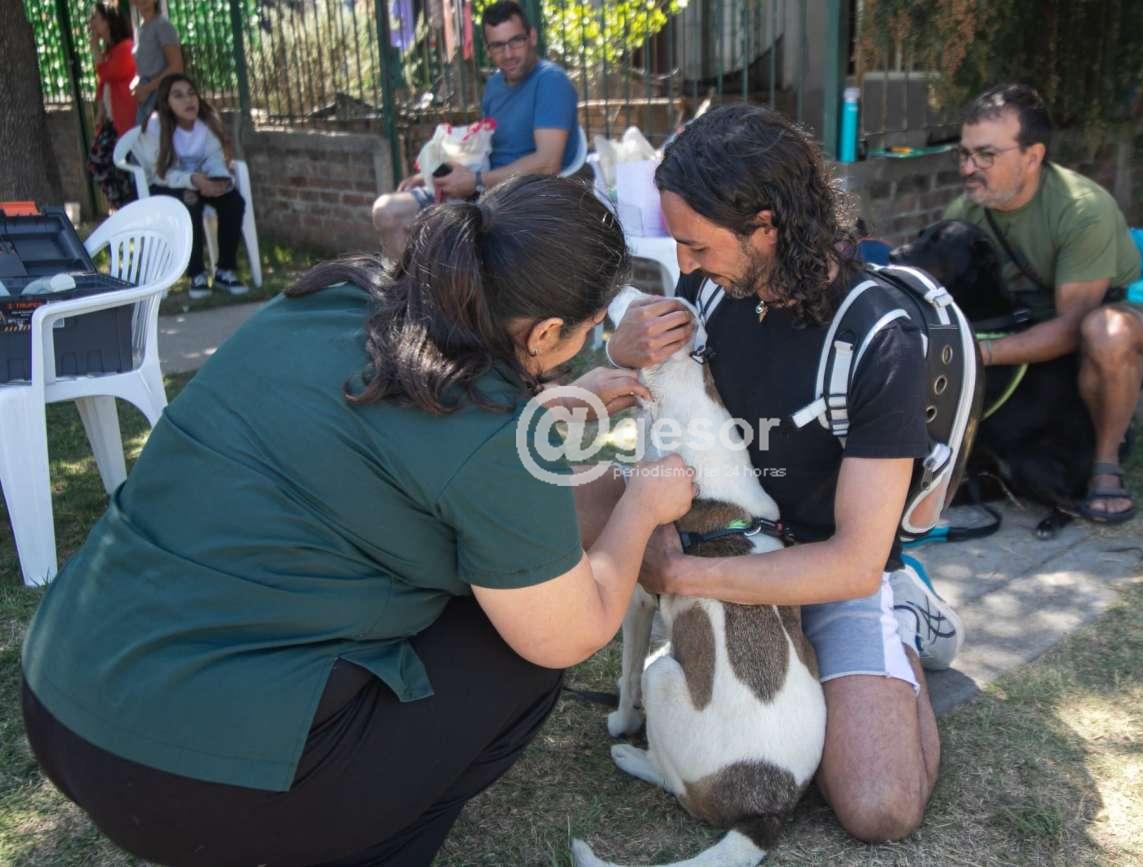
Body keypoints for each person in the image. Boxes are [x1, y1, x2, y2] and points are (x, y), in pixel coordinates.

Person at [21, 175, 694, 867]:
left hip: (64, 695)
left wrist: (557, 404)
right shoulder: (491, 431)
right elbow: (570, 631)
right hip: (187, 784)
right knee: (519, 657)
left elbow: (392, 424)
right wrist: (641, 505)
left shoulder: (330, 298)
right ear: (548, 332)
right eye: (589, 330)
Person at [601, 103, 964, 843]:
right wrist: (621, 350)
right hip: (724, 531)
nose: (685, 267)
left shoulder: (879, 340)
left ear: (764, 227)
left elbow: (853, 560)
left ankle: (901, 621)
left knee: (879, 807)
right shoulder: (714, 289)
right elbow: (660, 390)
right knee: (566, 489)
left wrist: (683, 575)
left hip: (824, 571)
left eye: (696, 245)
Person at [943, 83, 1143, 524]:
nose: (969, 168)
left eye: (986, 155)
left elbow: (1071, 328)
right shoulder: (965, 212)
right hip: (1027, 330)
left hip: (1112, 334)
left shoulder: (1082, 209)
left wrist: (978, 353)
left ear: (1032, 157)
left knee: (1104, 332)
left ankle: (1107, 464)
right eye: (964, 154)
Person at [372, 0, 580, 260]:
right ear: (488, 50)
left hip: (521, 200)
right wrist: (436, 173)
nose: (508, 54)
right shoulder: (494, 85)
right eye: (498, 46)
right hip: (481, 190)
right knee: (386, 212)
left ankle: (438, 284)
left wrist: (477, 181)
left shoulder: (551, 82)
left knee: (442, 237)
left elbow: (548, 163)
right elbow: (484, 150)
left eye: (516, 41)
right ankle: (409, 287)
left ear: (532, 37)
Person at [132, 73, 248, 299]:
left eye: (191, 93)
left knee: (234, 201)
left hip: (200, 182)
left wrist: (220, 181)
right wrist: (192, 180)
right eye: (178, 96)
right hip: (164, 185)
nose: (188, 100)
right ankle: (196, 274)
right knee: (190, 202)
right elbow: (160, 174)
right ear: (166, 103)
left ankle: (225, 270)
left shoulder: (207, 123)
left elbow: (215, 158)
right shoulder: (154, 128)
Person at [87, 2, 136, 210]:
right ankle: (123, 205)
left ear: (108, 22)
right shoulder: (111, 51)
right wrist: (100, 111)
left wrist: (94, 47)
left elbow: (107, 73)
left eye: (95, 18)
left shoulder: (125, 48)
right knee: (99, 160)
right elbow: (103, 83)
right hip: (112, 120)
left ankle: (128, 205)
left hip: (126, 121)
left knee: (110, 162)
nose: (91, 23)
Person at [128, 0, 183, 127]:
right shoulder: (140, 29)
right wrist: (137, 85)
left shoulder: (163, 26)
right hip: (146, 101)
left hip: (162, 100)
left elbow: (177, 67)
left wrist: (148, 88)